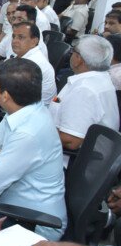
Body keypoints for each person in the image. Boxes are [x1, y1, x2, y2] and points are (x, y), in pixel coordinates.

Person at [0, 58, 66, 241]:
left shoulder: (27, 133)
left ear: (5, 96)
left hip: (33, 224)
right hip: (13, 204)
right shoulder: (23, 110)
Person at [48, 35, 119, 165]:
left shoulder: (84, 90)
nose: (71, 55)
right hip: (88, 158)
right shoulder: (100, 79)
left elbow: (71, 141)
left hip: (67, 161)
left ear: (78, 60)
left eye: (73, 52)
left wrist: (39, 132)